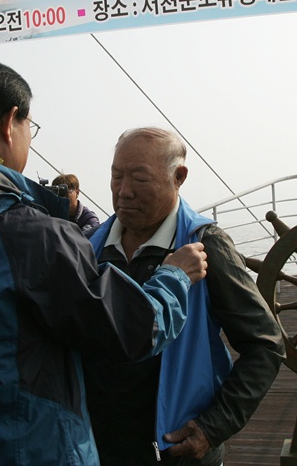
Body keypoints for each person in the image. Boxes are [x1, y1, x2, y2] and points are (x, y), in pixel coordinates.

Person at [0, 57, 208, 466]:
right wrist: (174, 276)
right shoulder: (29, 233)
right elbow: (135, 329)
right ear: (9, 123)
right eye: (30, 125)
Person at [84, 127, 286, 465]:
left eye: (140, 179)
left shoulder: (206, 245)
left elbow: (266, 344)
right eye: (116, 176)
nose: (124, 191)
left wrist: (212, 428)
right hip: (95, 447)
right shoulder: (89, 247)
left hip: (175, 451)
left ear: (178, 177)